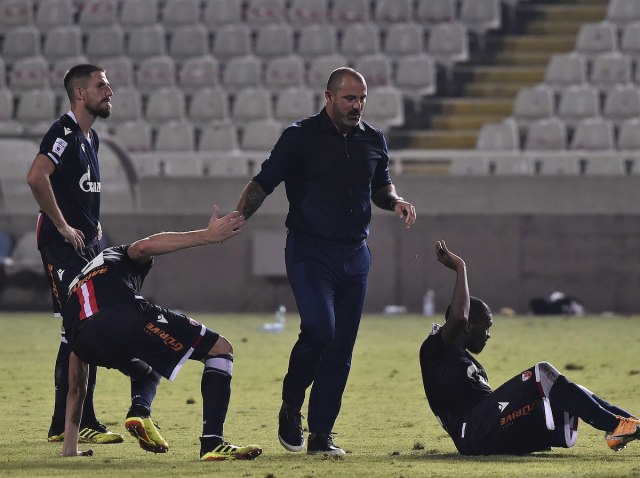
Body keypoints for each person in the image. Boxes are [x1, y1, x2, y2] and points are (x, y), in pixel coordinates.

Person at [235, 67, 417, 456]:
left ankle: (321, 436)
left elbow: (380, 186)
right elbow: (264, 182)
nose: (357, 105)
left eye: (362, 98)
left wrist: (395, 201)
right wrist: (235, 219)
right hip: (310, 251)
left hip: (356, 255)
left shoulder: (373, 139)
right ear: (329, 97)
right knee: (319, 329)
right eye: (350, 98)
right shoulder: (299, 136)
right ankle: (290, 405)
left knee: (340, 349)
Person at [61, 206, 262, 461]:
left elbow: (76, 385)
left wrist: (70, 447)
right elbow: (144, 246)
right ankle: (213, 443)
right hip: (124, 316)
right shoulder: (114, 254)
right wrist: (207, 236)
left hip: (86, 342)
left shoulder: (73, 291)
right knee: (220, 348)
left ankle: (140, 412)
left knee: (147, 367)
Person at [419, 240, 640, 455]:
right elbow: (458, 317)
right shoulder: (434, 349)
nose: (488, 335)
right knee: (541, 372)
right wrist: (460, 267)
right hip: (473, 433)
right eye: (486, 328)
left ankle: (632, 425)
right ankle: (615, 426)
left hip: (490, 429)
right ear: (468, 326)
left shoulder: (464, 360)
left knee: (572, 392)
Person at [26, 64, 122, 444]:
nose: (109, 92)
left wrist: (92, 224)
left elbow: (80, 189)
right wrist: (64, 226)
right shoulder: (62, 132)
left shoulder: (91, 138)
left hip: (86, 245)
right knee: (80, 327)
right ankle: (75, 423)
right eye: (101, 85)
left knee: (83, 327)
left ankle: (66, 424)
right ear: (80, 93)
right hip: (60, 245)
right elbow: (36, 176)